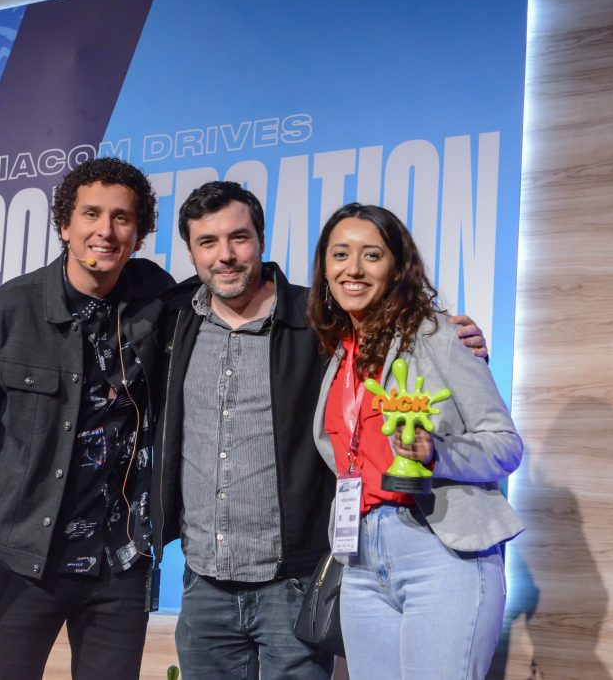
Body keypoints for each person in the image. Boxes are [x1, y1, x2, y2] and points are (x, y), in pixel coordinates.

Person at [153, 182, 492, 679]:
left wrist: (459, 345)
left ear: (261, 240)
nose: (225, 255)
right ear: (190, 252)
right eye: (208, 242)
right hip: (203, 581)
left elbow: (398, 334)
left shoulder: (322, 318)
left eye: (239, 238)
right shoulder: (172, 322)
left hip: (294, 581)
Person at [0, 157, 173, 679]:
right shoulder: (7, 312)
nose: (105, 230)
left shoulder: (159, 303)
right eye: (91, 214)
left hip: (120, 564)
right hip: (23, 560)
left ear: (139, 235)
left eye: (122, 218)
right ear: (64, 225)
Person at [307, 203, 524, 679]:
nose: (353, 269)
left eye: (372, 255)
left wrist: (436, 453)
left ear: (397, 267)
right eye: (340, 254)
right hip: (360, 558)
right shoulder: (339, 354)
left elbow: (505, 445)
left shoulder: (437, 336)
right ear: (324, 268)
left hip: (440, 551)